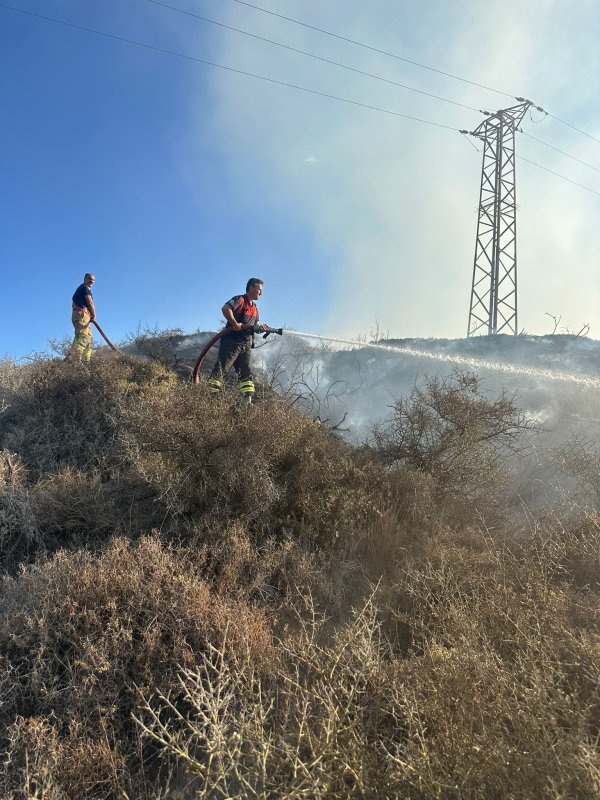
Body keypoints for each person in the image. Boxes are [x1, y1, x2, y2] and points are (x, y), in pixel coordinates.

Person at [209, 278, 266, 402]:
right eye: (259, 290)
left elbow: (255, 324)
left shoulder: (255, 308)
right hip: (231, 340)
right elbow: (225, 308)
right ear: (251, 287)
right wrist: (234, 323)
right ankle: (211, 398)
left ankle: (246, 401)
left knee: (246, 372)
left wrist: (261, 328)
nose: (261, 293)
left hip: (245, 343)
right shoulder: (240, 300)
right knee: (222, 368)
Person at [69, 273, 96, 363]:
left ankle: (86, 362)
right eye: (89, 279)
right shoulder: (83, 288)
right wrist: (94, 315)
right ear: (84, 279)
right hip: (80, 314)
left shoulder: (85, 289)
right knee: (83, 336)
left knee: (89, 339)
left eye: (93, 280)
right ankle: (75, 360)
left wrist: (90, 316)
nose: (91, 281)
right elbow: (90, 303)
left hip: (86, 316)